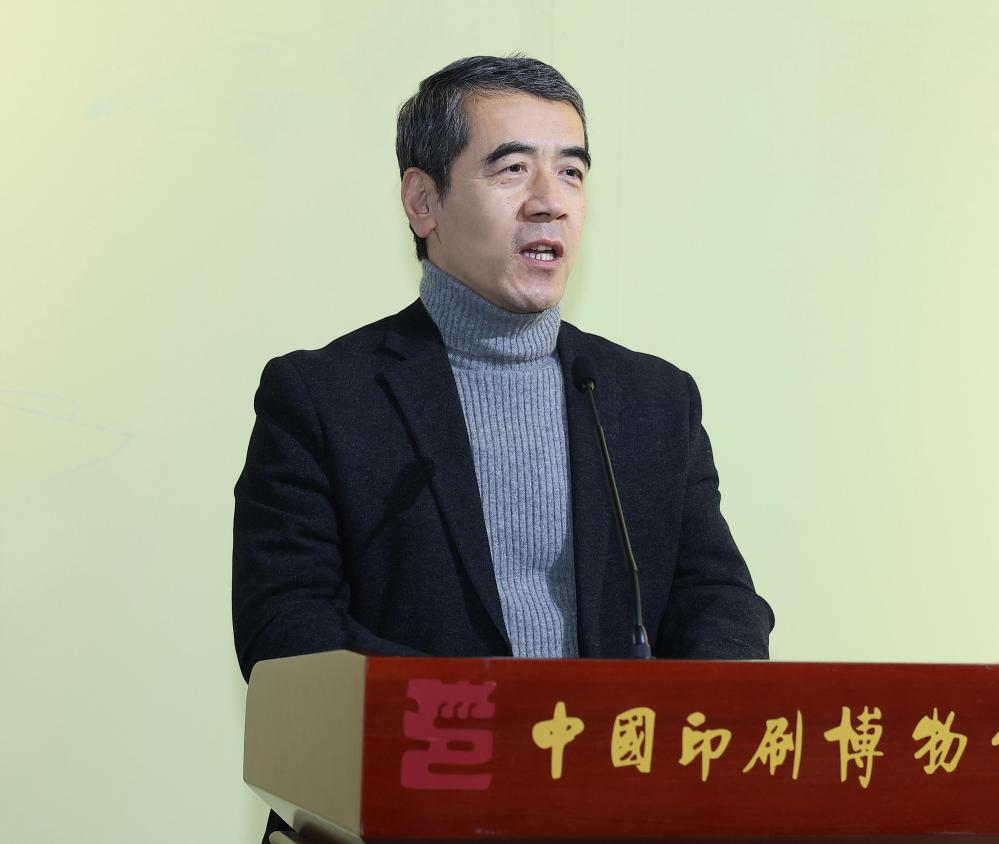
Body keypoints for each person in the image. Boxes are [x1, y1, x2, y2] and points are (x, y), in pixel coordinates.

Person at [232, 55, 773, 844]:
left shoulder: (649, 400)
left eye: (572, 172)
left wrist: (695, 725)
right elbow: (287, 632)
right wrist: (499, 728)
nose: (550, 201)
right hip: (405, 814)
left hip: (610, 817)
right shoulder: (322, 398)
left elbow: (718, 600)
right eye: (512, 169)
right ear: (423, 201)